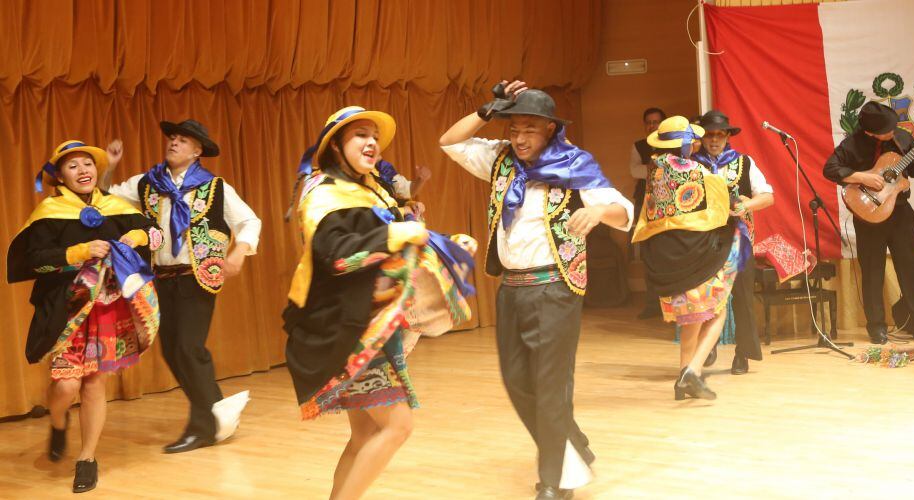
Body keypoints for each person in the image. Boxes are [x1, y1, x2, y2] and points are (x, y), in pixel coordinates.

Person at [439, 81, 633, 500]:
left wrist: (597, 211)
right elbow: (450, 141)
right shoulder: (500, 160)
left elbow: (624, 213)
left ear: (549, 128)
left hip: (555, 288)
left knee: (549, 385)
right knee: (517, 382)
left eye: (529, 129)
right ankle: (572, 442)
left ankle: (556, 479)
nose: (519, 138)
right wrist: (488, 110)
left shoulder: (574, 163)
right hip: (511, 287)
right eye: (513, 129)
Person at [284, 106, 476, 499]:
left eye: (374, 135)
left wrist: (445, 246)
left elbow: (396, 243)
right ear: (335, 146)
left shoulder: (369, 188)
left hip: (368, 323)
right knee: (397, 426)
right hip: (342, 329)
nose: (371, 142)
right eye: (360, 135)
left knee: (366, 433)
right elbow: (338, 257)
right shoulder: (324, 195)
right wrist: (401, 233)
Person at [7, 140, 162, 493]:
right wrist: (79, 251)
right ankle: (59, 421)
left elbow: (155, 233)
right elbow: (36, 260)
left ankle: (87, 458)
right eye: (73, 166)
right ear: (59, 175)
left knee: (94, 384)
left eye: (87, 164)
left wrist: (137, 236)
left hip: (106, 307)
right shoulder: (49, 212)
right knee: (66, 384)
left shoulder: (114, 206)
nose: (83, 171)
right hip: (67, 310)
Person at [101, 120, 263, 453]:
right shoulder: (147, 183)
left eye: (182, 139)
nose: (173, 142)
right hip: (160, 277)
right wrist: (109, 168)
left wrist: (240, 251)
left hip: (197, 275)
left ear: (197, 150)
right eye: (171, 138)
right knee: (172, 350)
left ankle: (203, 426)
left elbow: (249, 220)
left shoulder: (215, 186)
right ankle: (218, 414)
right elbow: (106, 201)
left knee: (189, 347)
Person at [633, 115, 743, 401]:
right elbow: (723, 210)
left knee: (690, 317)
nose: (696, 145)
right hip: (694, 252)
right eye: (692, 141)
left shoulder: (654, 168)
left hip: (664, 255)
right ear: (684, 145)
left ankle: (683, 376)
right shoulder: (700, 172)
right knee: (718, 309)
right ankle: (692, 371)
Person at [823, 102, 914, 344]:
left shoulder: (901, 137)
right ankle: (876, 327)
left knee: (911, 270)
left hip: (900, 212)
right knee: (872, 273)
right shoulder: (852, 144)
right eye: (886, 130)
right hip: (869, 216)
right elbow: (830, 169)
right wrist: (861, 176)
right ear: (870, 132)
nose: (893, 132)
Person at [692, 110, 772, 375]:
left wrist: (747, 204)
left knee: (743, 297)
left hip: (739, 240)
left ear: (727, 136)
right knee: (704, 297)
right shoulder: (691, 165)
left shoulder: (744, 163)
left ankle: (744, 354)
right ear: (702, 137)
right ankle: (707, 346)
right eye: (710, 135)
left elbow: (767, 197)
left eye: (720, 134)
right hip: (703, 241)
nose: (714, 140)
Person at [631, 107, 666, 319]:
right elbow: (633, 170)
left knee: (669, 253)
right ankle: (653, 304)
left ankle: (670, 304)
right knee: (649, 255)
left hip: (670, 206)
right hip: (645, 204)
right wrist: (656, 168)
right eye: (649, 122)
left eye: (656, 122)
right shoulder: (638, 146)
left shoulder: (673, 145)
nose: (652, 125)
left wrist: (654, 167)